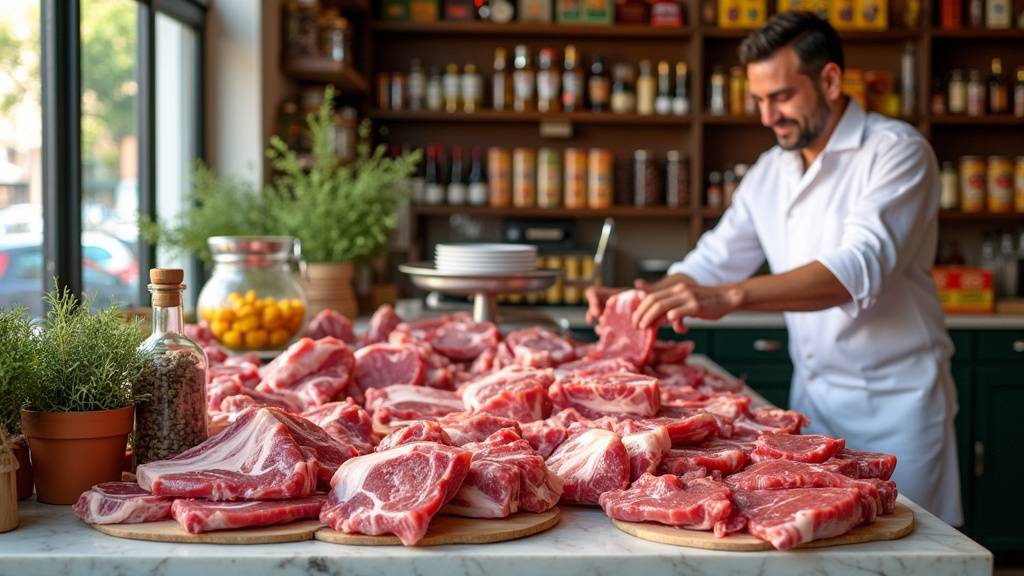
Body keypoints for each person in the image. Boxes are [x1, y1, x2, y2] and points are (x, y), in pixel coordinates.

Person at [587, 11, 962, 525]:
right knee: (818, 547)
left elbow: (854, 269)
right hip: (812, 406)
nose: (768, 116)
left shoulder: (896, 152)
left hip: (898, 408)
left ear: (830, 81)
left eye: (781, 97)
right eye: (759, 100)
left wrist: (730, 296)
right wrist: (641, 298)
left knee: (909, 550)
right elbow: (714, 260)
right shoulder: (771, 169)